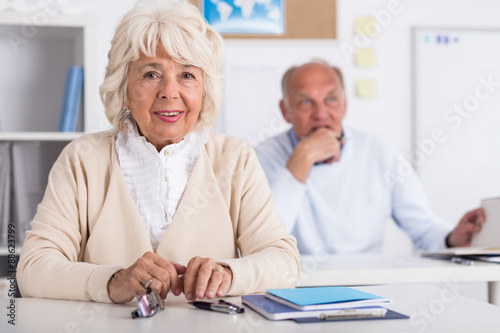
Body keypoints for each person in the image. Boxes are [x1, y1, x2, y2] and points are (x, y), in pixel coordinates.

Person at [16, 0, 300, 304]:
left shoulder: (235, 158)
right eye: (151, 74)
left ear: (204, 90)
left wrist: (229, 274)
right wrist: (110, 281)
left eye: (187, 75)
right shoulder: (83, 159)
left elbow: (284, 262)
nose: (169, 91)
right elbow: (33, 269)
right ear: (123, 86)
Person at [256, 59, 484, 255]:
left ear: (344, 105)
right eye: (306, 102)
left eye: (331, 100)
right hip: (296, 289)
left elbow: (423, 227)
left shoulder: (379, 151)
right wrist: (302, 159)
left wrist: (452, 238)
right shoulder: (260, 157)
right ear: (286, 111)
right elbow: (264, 242)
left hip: (370, 287)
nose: (321, 114)